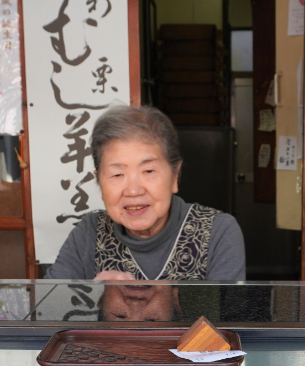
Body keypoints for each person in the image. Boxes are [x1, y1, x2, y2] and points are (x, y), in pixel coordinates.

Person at [46, 105, 245, 281]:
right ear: (99, 180)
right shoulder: (89, 232)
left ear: (175, 176)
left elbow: (227, 320)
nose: (133, 190)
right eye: (117, 174)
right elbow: (47, 311)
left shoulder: (217, 231)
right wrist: (94, 297)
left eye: (148, 171)